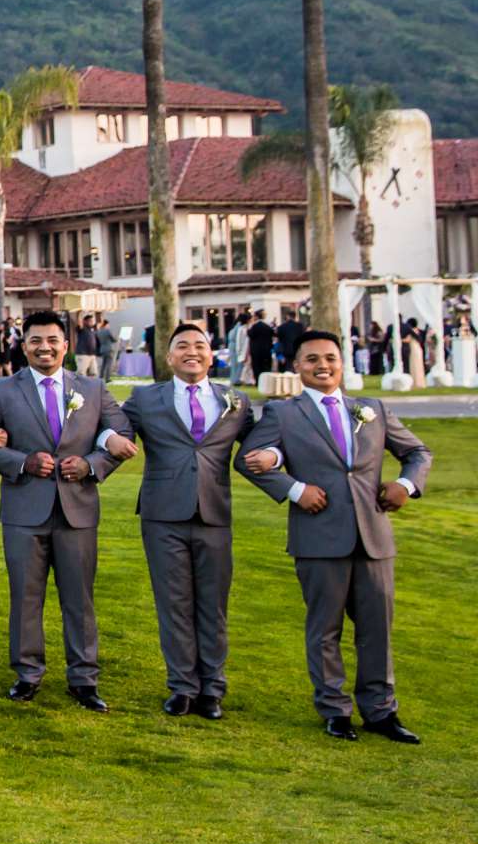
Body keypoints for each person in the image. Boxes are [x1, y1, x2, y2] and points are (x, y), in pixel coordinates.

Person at [239, 331, 433, 742]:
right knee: (325, 628)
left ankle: (381, 712)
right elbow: (249, 459)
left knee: (377, 629)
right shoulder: (282, 413)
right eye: (311, 359)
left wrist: (406, 485)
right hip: (318, 536)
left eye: (330, 357)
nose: (322, 365)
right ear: (296, 367)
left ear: (342, 362)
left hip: (374, 537)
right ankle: (334, 709)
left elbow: (418, 453)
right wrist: (295, 490)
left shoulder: (372, 408)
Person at [0, 311, 135, 710]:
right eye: (36, 340)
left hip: (78, 510)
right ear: (24, 346)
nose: (45, 347)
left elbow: (122, 434)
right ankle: (27, 674)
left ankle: (84, 678)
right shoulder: (3, 389)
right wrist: (21, 461)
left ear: (66, 344)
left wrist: (91, 464)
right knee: (25, 596)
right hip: (24, 509)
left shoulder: (92, 389)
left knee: (80, 598)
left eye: (53, 340)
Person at [121, 322, 282, 719]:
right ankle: (182, 687)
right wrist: (104, 446)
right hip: (163, 516)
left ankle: (212, 688)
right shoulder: (145, 399)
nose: (191, 351)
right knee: (173, 603)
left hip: (214, 513)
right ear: (169, 356)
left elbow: (263, 446)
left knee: (213, 604)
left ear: (212, 354)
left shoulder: (236, 402)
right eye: (182, 346)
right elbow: (108, 431)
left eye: (200, 345)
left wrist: (276, 462)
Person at [247, 310, 277, 382]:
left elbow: (250, 334)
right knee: (266, 366)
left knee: (257, 366)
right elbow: (274, 333)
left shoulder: (254, 326)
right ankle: (266, 381)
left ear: (256, 317)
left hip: (256, 350)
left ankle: (258, 381)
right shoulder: (267, 326)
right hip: (266, 349)